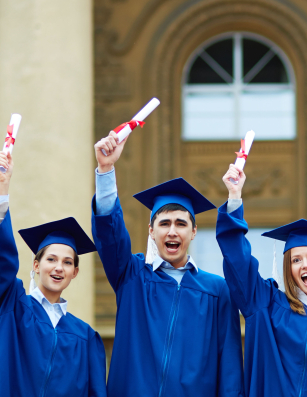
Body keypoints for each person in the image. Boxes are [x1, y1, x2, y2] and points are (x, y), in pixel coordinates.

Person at [90, 131, 244, 397]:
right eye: (164, 223)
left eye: (181, 224)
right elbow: (109, 235)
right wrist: (106, 170)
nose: (172, 231)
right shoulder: (132, 276)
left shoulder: (217, 291)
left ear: (193, 232)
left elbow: (229, 366)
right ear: (151, 231)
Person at [217, 164, 307, 397]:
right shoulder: (266, 305)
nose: (305, 264)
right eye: (296, 260)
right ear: (289, 269)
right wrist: (234, 198)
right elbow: (238, 261)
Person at [0, 151, 107, 397]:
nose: (59, 267)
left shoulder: (86, 337)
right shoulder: (11, 309)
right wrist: (2, 186)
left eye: (67, 262)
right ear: (36, 265)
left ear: (74, 272)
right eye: (51, 259)